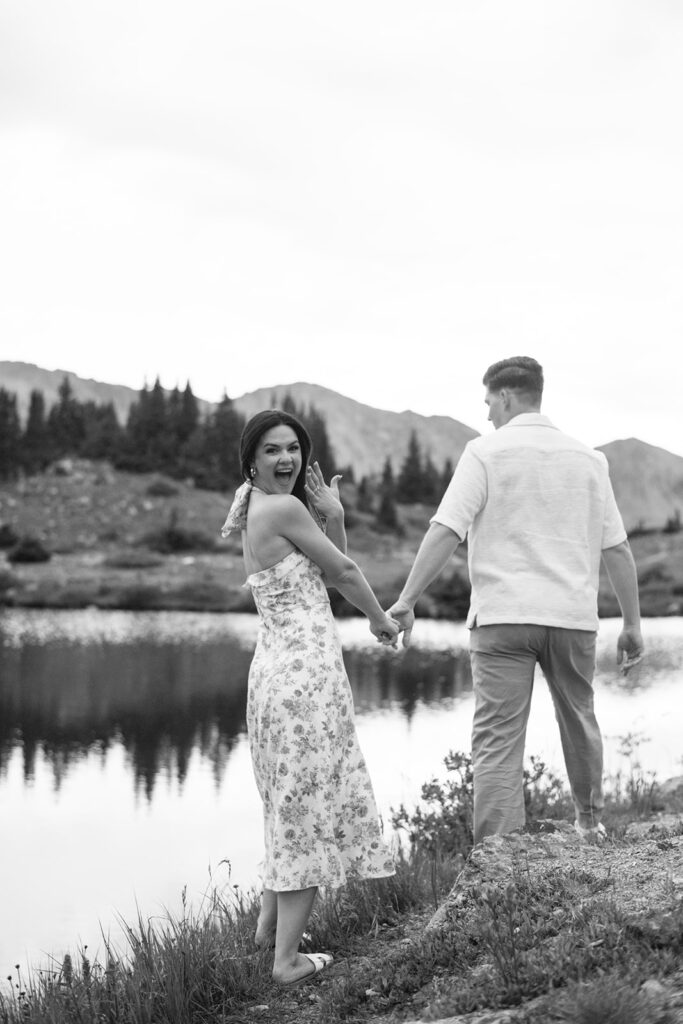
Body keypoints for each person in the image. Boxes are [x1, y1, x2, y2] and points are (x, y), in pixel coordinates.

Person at [388, 356, 644, 847]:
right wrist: (632, 624)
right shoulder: (589, 460)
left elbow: (446, 530)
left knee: (497, 740)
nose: (486, 414)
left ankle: (500, 855)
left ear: (506, 396)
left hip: (502, 618)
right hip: (572, 618)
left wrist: (407, 599)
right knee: (579, 717)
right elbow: (618, 549)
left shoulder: (484, 452)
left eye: (488, 402)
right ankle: (589, 826)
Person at [221, 409, 397, 988]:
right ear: (252, 457)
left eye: (293, 448)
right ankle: (287, 962)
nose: (286, 460)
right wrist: (381, 622)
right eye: (272, 450)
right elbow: (344, 571)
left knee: (286, 803)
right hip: (305, 680)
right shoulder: (284, 507)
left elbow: (323, 572)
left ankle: (267, 930)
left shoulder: (252, 504)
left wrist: (336, 516)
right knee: (306, 811)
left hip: (275, 677)